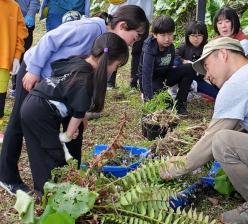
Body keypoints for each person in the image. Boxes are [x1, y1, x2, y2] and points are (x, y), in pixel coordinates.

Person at [0, 5, 148, 195]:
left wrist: (82, 111)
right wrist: (34, 69)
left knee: (76, 125)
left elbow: (87, 79)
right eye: (133, 38)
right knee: (18, 123)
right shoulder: (91, 29)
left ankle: (72, 175)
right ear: (122, 25)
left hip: (64, 86)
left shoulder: (108, 46)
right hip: (35, 74)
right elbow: (51, 39)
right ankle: (7, 176)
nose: (130, 44)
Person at [159, 37, 248, 223]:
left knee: (223, 142)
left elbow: (213, 139)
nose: (206, 76)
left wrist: (179, 167)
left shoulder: (237, 85)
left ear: (223, 54)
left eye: (207, 66)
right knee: (242, 134)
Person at [21, 32, 129, 195]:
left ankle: (42, 191)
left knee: (38, 152)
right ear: (107, 61)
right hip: (41, 112)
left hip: (31, 104)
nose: (115, 71)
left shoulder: (78, 61)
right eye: (117, 66)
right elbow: (78, 114)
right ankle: (50, 194)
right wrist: (69, 134)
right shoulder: (86, 81)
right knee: (54, 154)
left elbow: (67, 91)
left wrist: (74, 126)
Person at [138, 15, 194, 115]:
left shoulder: (170, 47)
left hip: (163, 78)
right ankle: (146, 96)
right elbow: (146, 75)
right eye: (163, 35)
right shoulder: (149, 49)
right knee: (167, 107)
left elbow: (170, 67)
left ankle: (180, 104)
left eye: (170, 34)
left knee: (189, 68)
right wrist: (149, 101)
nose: (167, 39)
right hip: (151, 80)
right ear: (155, 35)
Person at [107, 0, 153, 88]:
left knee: (138, 49)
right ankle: (109, 80)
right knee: (114, 46)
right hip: (121, 13)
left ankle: (135, 81)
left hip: (142, 16)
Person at [0, 0, 28, 142]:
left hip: (3, 61)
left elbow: (21, 33)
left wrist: (17, 56)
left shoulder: (14, 6)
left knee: (0, 96)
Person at [174, 21, 219, 99]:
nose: (196, 39)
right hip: (185, 78)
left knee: (217, 94)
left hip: (201, 79)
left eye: (199, 35)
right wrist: (183, 61)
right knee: (176, 62)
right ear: (188, 36)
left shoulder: (207, 48)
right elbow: (173, 55)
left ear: (204, 36)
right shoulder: (184, 47)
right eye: (193, 35)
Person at [11, 0, 40, 97]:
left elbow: (35, 2)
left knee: (22, 54)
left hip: (26, 22)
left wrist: (31, 14)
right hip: (10, 20)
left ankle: (17, 86)